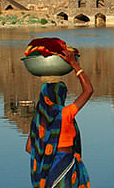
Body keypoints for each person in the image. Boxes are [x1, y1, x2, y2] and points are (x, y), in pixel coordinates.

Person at [26, 49, 94, 188]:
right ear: (60, 96)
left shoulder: (40, 119)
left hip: (48, 170)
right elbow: (88, 90)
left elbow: (29, 148)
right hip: (65, 164)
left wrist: (48, 155)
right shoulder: (64, 114)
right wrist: (74, 64)